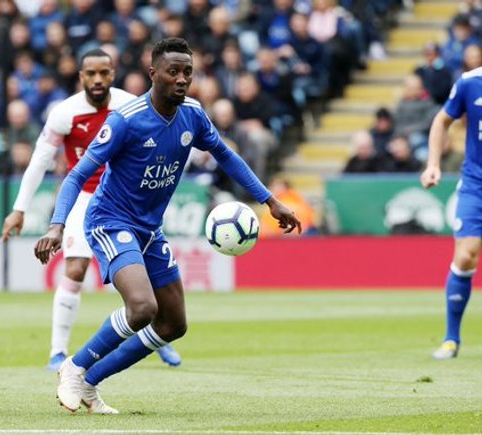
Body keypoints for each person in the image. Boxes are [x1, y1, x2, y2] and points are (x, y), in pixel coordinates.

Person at [34, 38, 301, 414]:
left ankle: (91, 384)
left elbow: (226, 155)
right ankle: (75, 367)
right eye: (173, 71)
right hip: (110, 221)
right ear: (153, 73)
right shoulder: (125, 120)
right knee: (142, 307)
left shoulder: (193, 115)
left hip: (148, 229)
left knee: (173, 325)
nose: (181, 79)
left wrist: (270, 201)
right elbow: (77, 175)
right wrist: (57, 226)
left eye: (187, 72)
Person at [1, 48, 182, 372]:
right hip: (84, 198)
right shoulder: (64, 113)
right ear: (80, 76)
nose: (98, 80)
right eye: (91, 74)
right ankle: (57, 352)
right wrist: (19, 209)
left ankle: (160, 339)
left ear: (113, 74)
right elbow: (40, 160)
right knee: (74, 270)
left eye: (104, 73)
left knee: (141, 277)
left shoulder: (131, 103)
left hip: (125, 199)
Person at [420, 65, 482, 360]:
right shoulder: (471, 83)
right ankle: (451, 338)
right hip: (476, 184)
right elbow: (441, 121)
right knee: (466, 255)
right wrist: (433, 164)